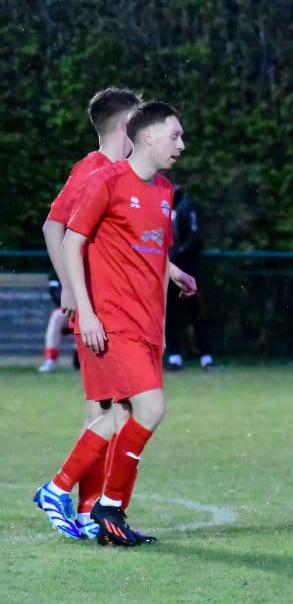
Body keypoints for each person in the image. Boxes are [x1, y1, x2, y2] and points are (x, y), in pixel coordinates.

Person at [62, 101, 188, 546]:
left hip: (148, 323)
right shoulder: (106, 180)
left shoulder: (165, 190)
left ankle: (106, 513)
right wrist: (85, 309)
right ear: (147, 136)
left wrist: (173, 280)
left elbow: (154, 253)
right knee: (147, 409)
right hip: (114, 320)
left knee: (128, 415)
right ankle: (99, 504)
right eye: (175, 135)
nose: (181, 144)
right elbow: (72, 242)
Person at [33, 87, 142, 539]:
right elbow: (52, 226)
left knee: (109, 409)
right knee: (112, 410)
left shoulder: (121, 175)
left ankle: (86, 509)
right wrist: (70, 288)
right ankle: (66, 495)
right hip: (98, 312)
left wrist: (171, 270)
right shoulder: (93, 168)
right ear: (127, 124)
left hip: (115, 310)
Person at [166, 184, 215, 371]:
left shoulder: (187, 207)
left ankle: (206, 357)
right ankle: (174, 357)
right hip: (169, 270)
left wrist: (179, 252)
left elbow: (196, 238)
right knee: (171, 313)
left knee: (196, 313)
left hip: (187, 269)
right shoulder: (163, 208)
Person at [38, 273, 77, 372]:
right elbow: (56, 294)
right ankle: (50, 359)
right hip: (70, 309)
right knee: (57, 316)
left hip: (89, 310)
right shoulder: (56, 270)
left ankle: (80, 355)